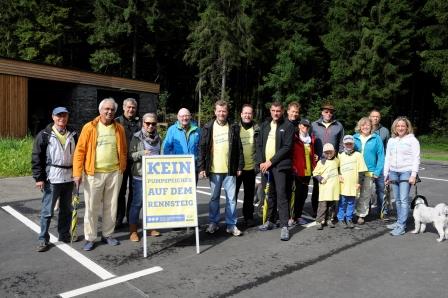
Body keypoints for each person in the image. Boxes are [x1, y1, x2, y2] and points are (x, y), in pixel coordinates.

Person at [73, 98, 127, 251]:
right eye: (106, 109)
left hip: (115, 173)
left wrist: (121, 167)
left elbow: (123, 149)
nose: (109, 112)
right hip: (93, 173)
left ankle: (108, 234)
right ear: (100, 110)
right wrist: (77, 173)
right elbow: (80, 151)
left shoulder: (119, 129)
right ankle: (90, 238)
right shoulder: (89, 128)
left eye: (112, 110)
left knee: (111, 206)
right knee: (91, 207)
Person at [32, 107, 78, 252]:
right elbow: (36, 157)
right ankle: (43, 239)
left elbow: (78, 155)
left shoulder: (74, 133)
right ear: (53, 117)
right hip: (52, 178)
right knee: (47, 211)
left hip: (69, 177)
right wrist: (39, 178)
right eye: (59, 116)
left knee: (66, 210)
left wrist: (78, 174)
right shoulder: (44, 134)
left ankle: (63, 234)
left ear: (67, 117)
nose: (62, 118)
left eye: (64, 116)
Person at [198, 100, 244, 237]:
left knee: (231, 199)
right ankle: (213, 223)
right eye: (219, 111)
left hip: (230, 169)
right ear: (215, 112)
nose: (221, 113)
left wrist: (239, 165)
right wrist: (202, 167)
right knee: (214, 198)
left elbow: (239, 148)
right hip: (214, 169)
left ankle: (231, 225)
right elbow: (202, 148)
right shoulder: (208, 127)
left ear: (227, 112)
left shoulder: (234, 127)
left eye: (224, 111)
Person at [257, 102, 295, 241]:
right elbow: (259, 144)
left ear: (282, 111)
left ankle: (284, 226)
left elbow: (286, 147)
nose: (275, 113)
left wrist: (270, 162)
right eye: (273, 110)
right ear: (270, 111)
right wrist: (261, 162)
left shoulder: (288, 126)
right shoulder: (265, 125)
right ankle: (270, 221)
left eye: (278, 111)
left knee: (281, 195)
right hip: (266, 166)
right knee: (269, 195)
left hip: (280, 166)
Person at [384, 117, 420, 236]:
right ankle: (399, 222)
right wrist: (386, 174)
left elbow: (416, 158)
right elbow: (387, 158)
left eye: (403, 126)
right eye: (398, 126)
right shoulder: (391, 140)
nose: (400, 128)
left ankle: (401, 226)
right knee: (398, 200)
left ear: (407, 127)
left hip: (406, 172)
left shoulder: (412, 140)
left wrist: (413, 175)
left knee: (404, 200)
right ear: (395, 127)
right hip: (393, 172)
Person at [129, 113, 161, 241]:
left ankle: (150, 227)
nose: (150, 126)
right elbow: (130, 155)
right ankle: (133, 231)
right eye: (148, 123)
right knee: (137, 204)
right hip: (140, 176)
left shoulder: (159, 138)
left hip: (155, 177)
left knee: (152, 203)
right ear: (143, 123)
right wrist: (143, 153)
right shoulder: (136, 137)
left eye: (153, 124)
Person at [311, 102, 344, 217]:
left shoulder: (338, 126)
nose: (328, 114)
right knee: (317, 187)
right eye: (326, 111)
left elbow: (341, 144)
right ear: (322, 112)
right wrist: (312, 154)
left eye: (330, 112)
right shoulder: (314, 125)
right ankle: (316, 211)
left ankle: (330, 213)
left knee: (331, 187)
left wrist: (339, 160)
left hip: (332, 161)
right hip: (319, 161)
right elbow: (310, 141)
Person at [353, 117, 384, 225]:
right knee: (353, 193)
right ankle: (349, 213)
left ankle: (361, 215)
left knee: (365, 194)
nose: (365, 127)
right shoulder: (354, 137)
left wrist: (377, 171)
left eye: (367, 125)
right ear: (360, 127)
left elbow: (381, 156)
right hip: (355, 171)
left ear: (371, 127)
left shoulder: (376, 138)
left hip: (369, 171)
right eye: (363, 125)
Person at [115, 98, 140, 228]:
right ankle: (118, 218)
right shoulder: (117, 122)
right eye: (129, 107)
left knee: (134, 191)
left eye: (133, 108)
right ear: (124, 108)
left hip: (136, 162)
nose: (131, 110)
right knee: (120, 191)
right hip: (121, 162)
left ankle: (131, 218)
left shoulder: (140, 123)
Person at [235, 104, 259, 227]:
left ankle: (248, 217)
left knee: (249, 195)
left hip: (251, 168)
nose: (247, 115)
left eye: (249, 113)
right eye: (245, 113)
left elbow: (260, 147)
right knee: (232, 195)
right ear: (241, 114)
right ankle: (231, 219)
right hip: (237, 169)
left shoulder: (257, 129)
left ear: (252, 115)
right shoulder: (235, 128)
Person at [162, 108, 201, 182]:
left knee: (191, 192)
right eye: (182, 116)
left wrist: (200, 165)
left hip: (193, 168)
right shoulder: (172, 130)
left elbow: (201, 148)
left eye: (187, 116)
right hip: (177, 168)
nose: (184, 118)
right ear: (178, 117)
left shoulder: (197, 130)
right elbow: (166, 148)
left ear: (190, 117)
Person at [290, 118, 316, 226]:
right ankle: (291, 217)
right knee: (294, 196)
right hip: (296, 172)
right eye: (304, 125)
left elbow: (312, 154)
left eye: (307, 126)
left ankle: (298, 216)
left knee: (303, 195)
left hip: (307, 172)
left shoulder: (311, 140)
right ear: (300, 126)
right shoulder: (295, 138)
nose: (305, 128)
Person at [337, 135, 367, 229]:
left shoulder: (358, 155)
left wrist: (359, 183)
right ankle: (341, 218)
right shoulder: (340, 155)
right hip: (343, 184)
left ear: (353, 144)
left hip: (353, 184)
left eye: (350, 143)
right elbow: (336, 167)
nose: (348, 145)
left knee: (351, 203)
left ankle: (349, 218)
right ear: (343, 144)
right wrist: (338, 174)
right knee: (342, 202)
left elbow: (362, 171)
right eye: (347, 143)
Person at [312, 143, 340, 230]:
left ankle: (329, 219)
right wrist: (320, 178)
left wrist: (340, 175)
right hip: (325, 189)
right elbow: (315, 173)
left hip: (333, 189)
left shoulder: (337, 161)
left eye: (330, 152)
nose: (328, 154)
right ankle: (319, 221)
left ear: (334, 152)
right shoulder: (321, 162)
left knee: (331, 206)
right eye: (326, 153)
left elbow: (338, 170)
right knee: (322, 206)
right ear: (323, 153)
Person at [369, 109, 390, 219]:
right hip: (368, 165)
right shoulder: (365, 129)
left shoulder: (385, 131)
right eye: (373, 116)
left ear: (380, 118)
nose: (375, 118)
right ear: (369, 117)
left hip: (381, 165)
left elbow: (388, 148)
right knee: (366, 189)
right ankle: (365, 211)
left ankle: (382, 211)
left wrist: (388, 164)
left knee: (381, 189)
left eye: (377, 116)